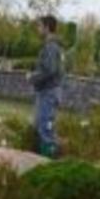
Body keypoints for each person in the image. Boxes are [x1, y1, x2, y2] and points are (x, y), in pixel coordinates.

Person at [28, 15, 64, 158]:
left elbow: (50, 70)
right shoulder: (55, 46)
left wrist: (32, 77)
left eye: (39, 26)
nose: (38, 29)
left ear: (47, 27)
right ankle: (44, 162)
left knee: (45, 129)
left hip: (48, 93)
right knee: (42, 126)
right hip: (48, 91)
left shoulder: (51, 47)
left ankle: (49, 166)